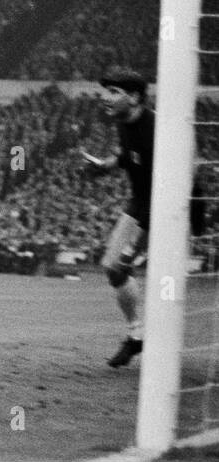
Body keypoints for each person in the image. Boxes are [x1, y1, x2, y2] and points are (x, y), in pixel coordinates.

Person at [80, 68, 153, 368]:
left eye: (113, 93)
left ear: (134, 97)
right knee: (113, 268)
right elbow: (127, 156)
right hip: (140, 202)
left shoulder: (156, 129)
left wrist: (139, 238)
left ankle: (160, 341)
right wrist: (104, 165)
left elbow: (176, 182)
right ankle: (136, 335)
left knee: (167, 279)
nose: (105, 98)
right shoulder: (124, 122)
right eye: (105, 92)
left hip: (169, 206)